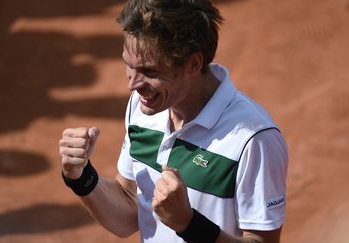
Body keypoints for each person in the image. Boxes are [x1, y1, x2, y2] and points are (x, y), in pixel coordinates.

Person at [58, 0, 288, 242]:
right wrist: (82, 178)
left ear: (193, 64)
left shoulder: (254, 139)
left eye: (150, 72)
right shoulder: (144, 105)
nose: (132, 85)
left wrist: (189, 224)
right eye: (129, 65)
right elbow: (128, 212)